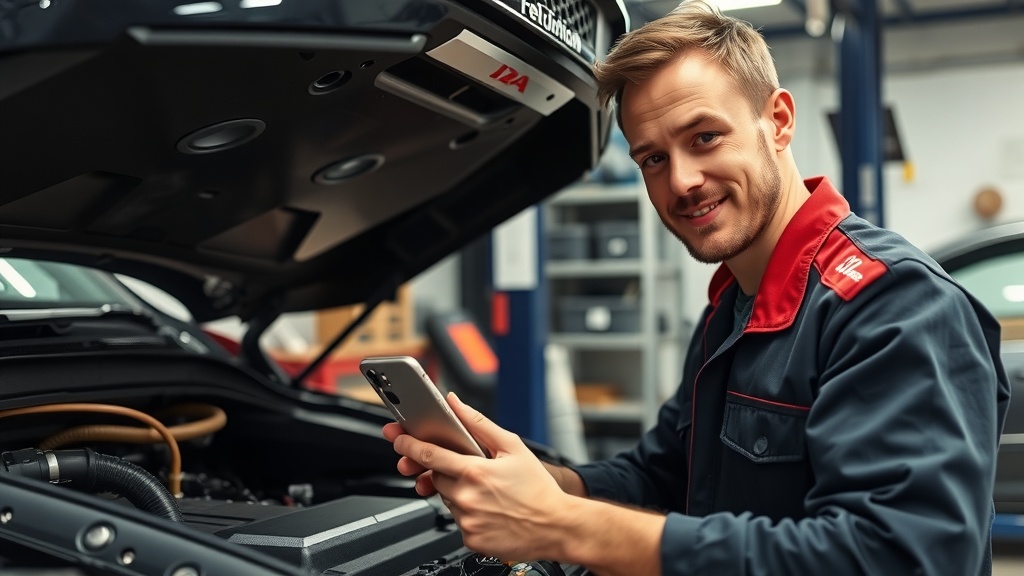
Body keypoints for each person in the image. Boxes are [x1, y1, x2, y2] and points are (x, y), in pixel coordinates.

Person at [383, 1, 1012, 574]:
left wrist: (564, 526)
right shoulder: (731, 307)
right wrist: (547, 486)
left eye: (704, 137)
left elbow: (901, 557)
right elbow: (664, 475)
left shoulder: (893, 306)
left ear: (778, 121)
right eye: (653, 158)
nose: (681, 181)